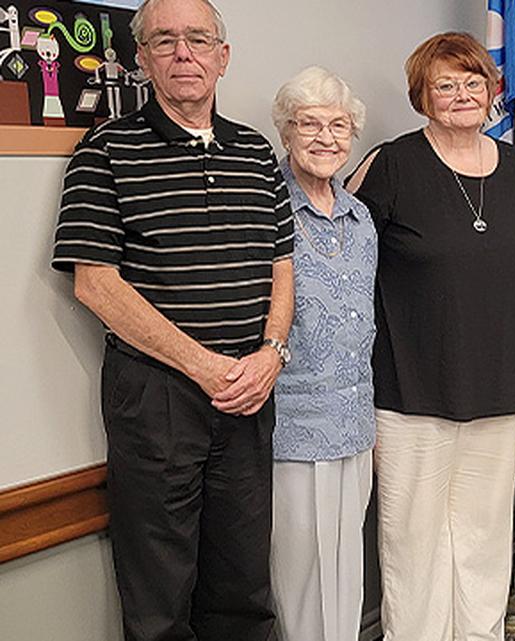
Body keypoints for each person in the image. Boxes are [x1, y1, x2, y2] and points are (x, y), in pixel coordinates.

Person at [50, 1, 294, 640]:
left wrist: (271, 352)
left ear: (223, 55)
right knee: (160, 596)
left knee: (244, 587)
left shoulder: (255, 151)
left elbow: (283, 265)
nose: (183, 53)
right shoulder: (105, 151)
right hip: (157, 397)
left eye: (198, 39)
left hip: (251, 390)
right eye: (164, 41)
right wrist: (204, 366)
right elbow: (95, 283)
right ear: (142, 59)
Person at [346, 32, 515, 641]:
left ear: (493, 92)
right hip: (411, 388)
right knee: (413, 539)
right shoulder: (393, 164)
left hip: (503, 383)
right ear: (422, 97)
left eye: (472, 83)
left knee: (485, 537)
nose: (461, 95)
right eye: (444, 85)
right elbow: (340, 260)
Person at [268, 66, 374, 641]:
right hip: (294, 427)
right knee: (301, 576)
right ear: (286, 133)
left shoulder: (362, 220)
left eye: (338, 125)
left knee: (346, 574)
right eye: (309, 124)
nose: (325, 137)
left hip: (356, 426)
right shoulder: (268, 212)